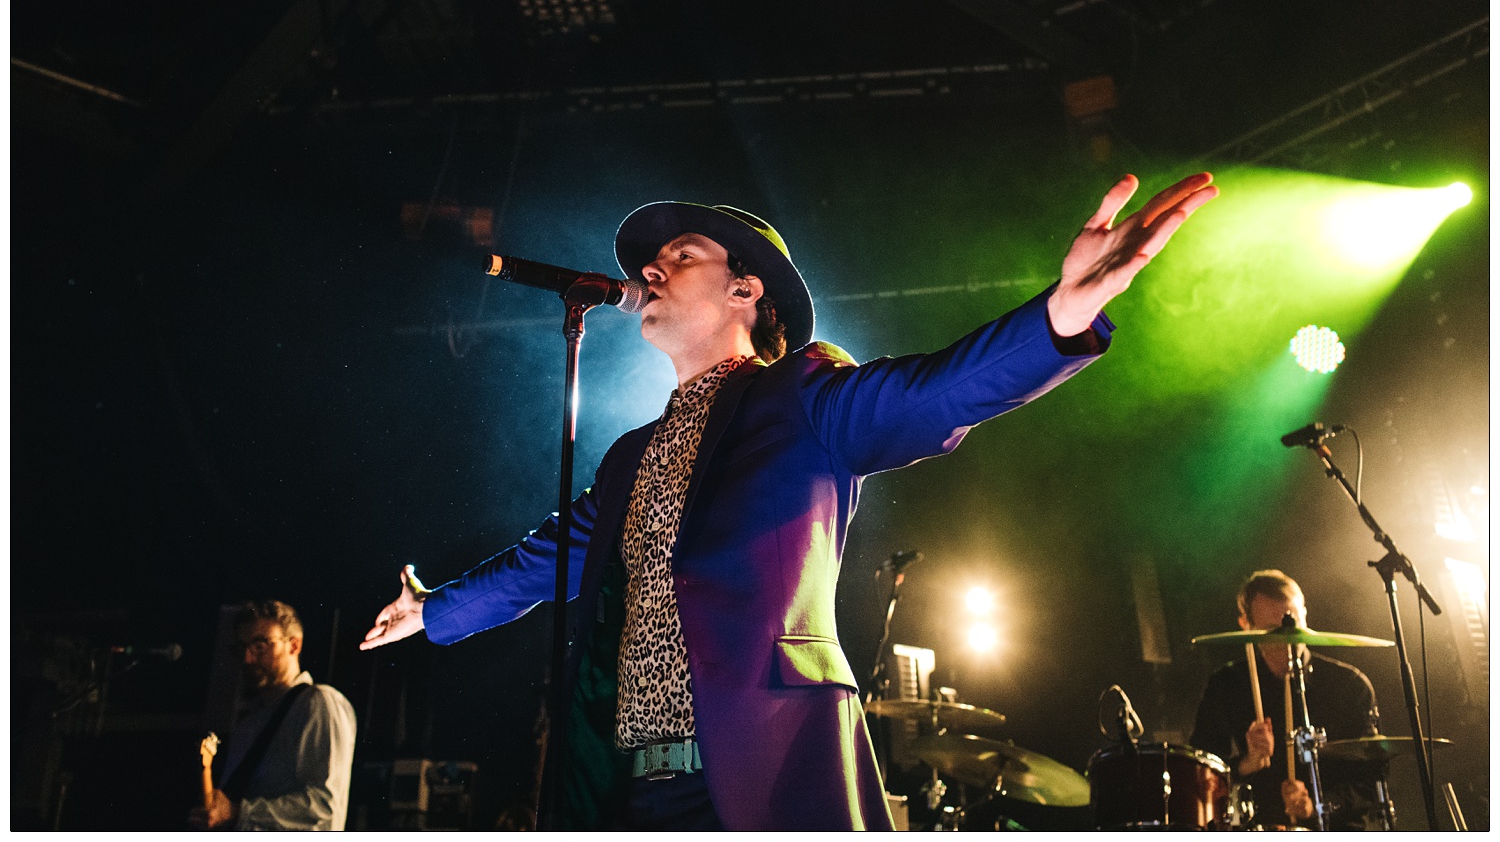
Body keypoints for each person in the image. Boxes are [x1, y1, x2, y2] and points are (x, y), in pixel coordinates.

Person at [362, 173, 1218, 830]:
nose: (651, 269)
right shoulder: (631, 456)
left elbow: (931, 396)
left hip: (760, 767)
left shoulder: (801, 391)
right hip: (629, 788)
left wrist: (1060, 316)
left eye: (681, 254)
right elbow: (550, 557)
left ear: (747, 290)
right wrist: (436, 610)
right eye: (650, 263)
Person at [1191, 570, 1387, 830]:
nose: (1287, 637)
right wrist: (1247, 764)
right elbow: (1200, 771)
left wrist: (1319, 805)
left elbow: (1371, 782)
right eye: (1273, 630)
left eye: (1292, 623)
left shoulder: (1350, 685)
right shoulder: (1227, 684)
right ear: (1246, 626)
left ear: (1304, 614)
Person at [191, 600, 358, 831]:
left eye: (260, 646)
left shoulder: (318, 702)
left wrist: (239, 812)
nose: (248, 659)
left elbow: (325, 810)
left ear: (294, 645)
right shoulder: (247, 722)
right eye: (242, 648)